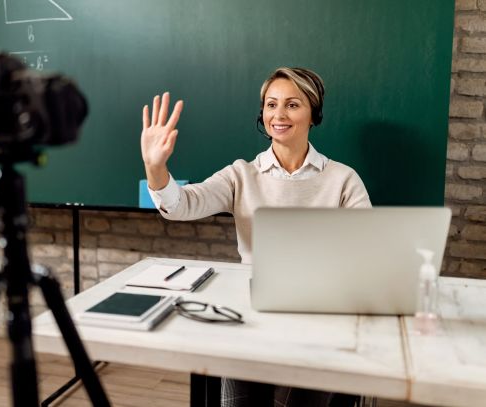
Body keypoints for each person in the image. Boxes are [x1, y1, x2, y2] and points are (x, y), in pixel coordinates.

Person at [140, 67, 371, 406]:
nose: (279, 114)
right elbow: (180, 205)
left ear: (314, 113)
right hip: (250, 318)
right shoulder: (241, 175)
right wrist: (155, 167)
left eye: (292, 105)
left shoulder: (343, 179)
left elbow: (369, 250)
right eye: (271, 104)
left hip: (319, 322)